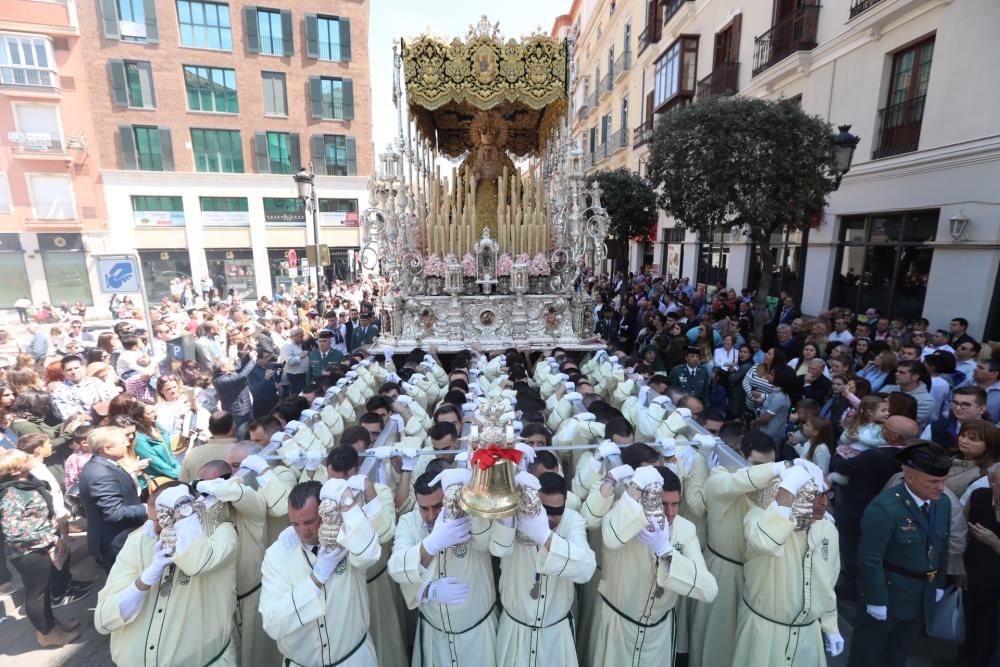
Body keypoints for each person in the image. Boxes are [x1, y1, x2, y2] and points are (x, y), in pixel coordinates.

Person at [94, 482, 238, 665]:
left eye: (164, 519)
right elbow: (104, 621)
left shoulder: (222, 533)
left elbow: (198, 563)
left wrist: (183, 510)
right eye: (152, 519)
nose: (155, 529)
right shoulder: (138, 541)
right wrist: (146, 579)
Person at [589, 465, 717, 666]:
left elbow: (709, 590)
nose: (670, 512)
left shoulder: (686, 530)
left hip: (658, 637)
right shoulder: (621, 518)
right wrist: (636, 486)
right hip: (618, 630)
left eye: (675, 504)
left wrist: (666, 551)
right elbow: (612, 539)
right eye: (663, 504)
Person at [847, 441, 952, 667]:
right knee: (867, 655)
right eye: (934, 481)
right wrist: (876, 600)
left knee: (898, 654)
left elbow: (942, 545)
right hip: (889, 592)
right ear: (910, 477)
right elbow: (870, 559)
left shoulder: (941, 504)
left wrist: (939, 584)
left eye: (943, 481)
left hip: (921, 594)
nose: (941, 487)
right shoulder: (885, 508)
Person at [260, 480, 381, 667]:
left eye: (308, 522)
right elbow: (273, 623)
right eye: (295, 524)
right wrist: (317, 577)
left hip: (353, 660)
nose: (303, 531)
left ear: (323, 513)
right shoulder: (276, 554)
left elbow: (370, 555)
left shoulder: (348, 540)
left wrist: (347, 503)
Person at [732, 464, 842, 665]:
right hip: (763, 634)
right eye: (815, 494)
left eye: (827, 494)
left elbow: (827, 583)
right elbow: (766, 542)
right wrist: (788, 487)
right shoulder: (758, 517)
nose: (824, 502)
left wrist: (830, 625)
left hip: (808, 636)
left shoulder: (828, 529)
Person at [688, 432, 780, 667]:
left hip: (757, 576)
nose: (765, 473)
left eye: (770, 466)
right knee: (716, 639)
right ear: (740, 457)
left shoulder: (772, 487)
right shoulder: (723, 477)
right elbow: (722, 488)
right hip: (723, 570)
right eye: (758, 465)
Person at [389, 470, 497, 667]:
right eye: (424, 508)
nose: (430, 515)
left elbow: (487, 541)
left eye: (437, 506)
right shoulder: (409, 522)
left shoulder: (471, 516)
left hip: (478, 635)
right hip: (435, 636)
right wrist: (431, 545)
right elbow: (396, 567)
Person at [492, 472, 595, 667]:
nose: (550, 517)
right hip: (515, 632)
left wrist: (546, 537)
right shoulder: (517, 516)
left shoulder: (573, 521)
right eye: (544, 509)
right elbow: (498, 549)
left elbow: (586, 570)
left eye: (557, 510)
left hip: (555, 636)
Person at [195, 459, 279, 667]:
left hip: (253, 598)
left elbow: (244, 496)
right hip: (221, 607)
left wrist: (221, 486)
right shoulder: (203, 511)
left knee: (260, 658)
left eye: (212, 486)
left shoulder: (251, 509)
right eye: (202, 487)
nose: (207, 494)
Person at [0, 449, 88, 646]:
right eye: (25, 458)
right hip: (30, 553)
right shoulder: (11, 494)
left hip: (41, 544)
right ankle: (47, 634)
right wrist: (50, 537)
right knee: (37, 594)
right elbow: (14, 531)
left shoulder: (27, 482)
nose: (31, 457)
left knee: (44, 591)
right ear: (14, 470)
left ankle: (52, 625)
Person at [78, 426, 149, 569]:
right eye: (123, 442)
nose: (128, 444)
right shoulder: (101, 474)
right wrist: (147, 508)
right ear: (107, 449)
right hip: (117, 543)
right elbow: (114, 513)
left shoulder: (103, 465)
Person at [961, 464, 1000, 666]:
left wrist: (995, 543)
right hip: (974, 573)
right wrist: (960, 568)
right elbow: (962, 532)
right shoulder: (979, 497)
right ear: (991, 483)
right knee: (971, 622)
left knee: (990, 628)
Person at [129, 400, 180, 490]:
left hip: (174, 474)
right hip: (160, 482)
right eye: (151, 413)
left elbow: (170, 453)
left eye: (155, 411)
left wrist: (179, 469)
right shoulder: (139, 439)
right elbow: (156, 464)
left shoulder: (157, 426)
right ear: (140, 417)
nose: (155, 414)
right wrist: (179, 475)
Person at [51, 355, 117, 421]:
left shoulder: (96, 382)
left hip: (105, 421)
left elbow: (110, 400)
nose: (73, 372)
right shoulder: (60, 392)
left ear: (83, 367)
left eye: (76, 368)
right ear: (63, 372)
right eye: (69, 370)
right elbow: (69, 416)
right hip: (82, 428)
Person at [180, 411, 239, 482]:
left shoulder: (192, 454)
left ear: (209, 429)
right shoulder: (244, 453)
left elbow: (183, 485)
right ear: (233, 427)